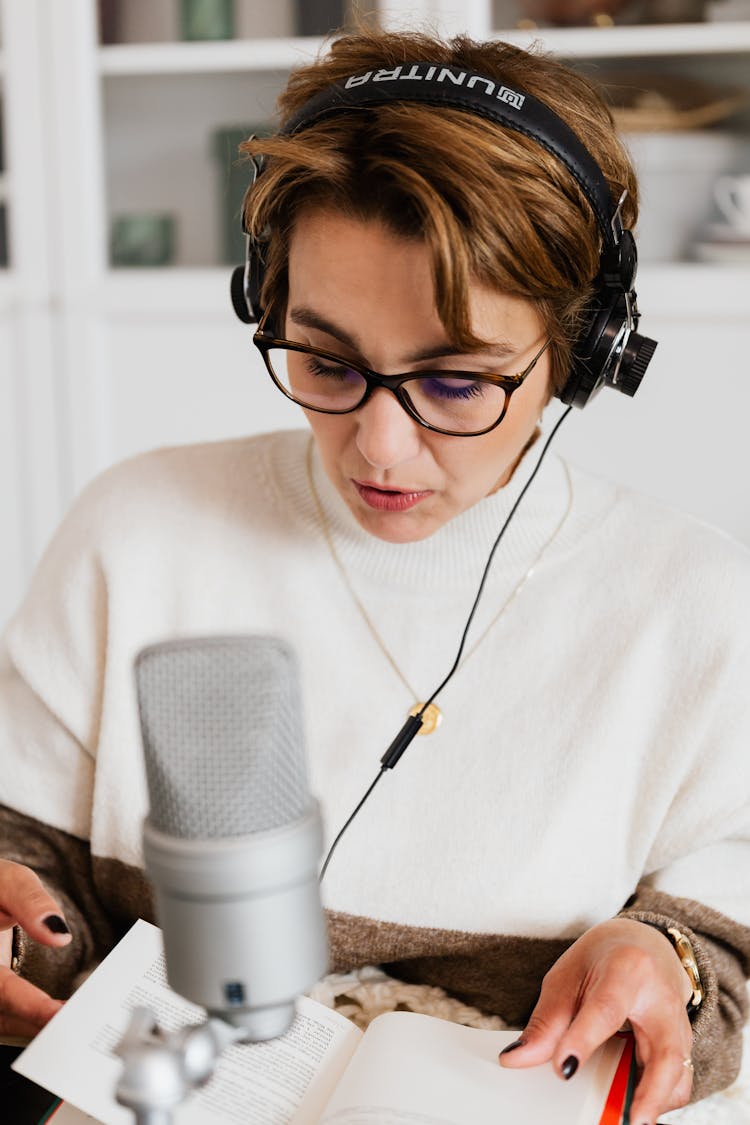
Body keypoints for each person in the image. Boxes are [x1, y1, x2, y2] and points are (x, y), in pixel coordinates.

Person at [1, 25, 748, 1125]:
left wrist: (669, 960)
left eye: (455, 382)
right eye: (326, 361)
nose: (378, 449)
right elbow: (30, 853)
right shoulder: (137, 527)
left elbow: (728, 953)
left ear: (586, 354)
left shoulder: (695, 599)